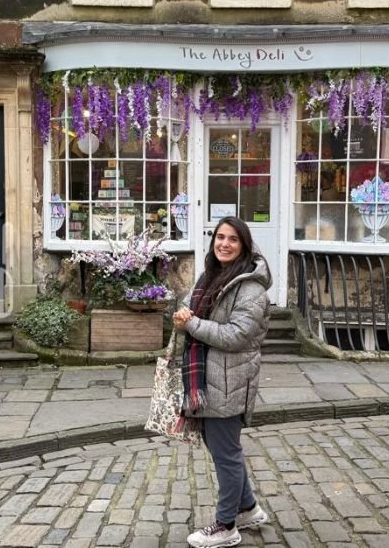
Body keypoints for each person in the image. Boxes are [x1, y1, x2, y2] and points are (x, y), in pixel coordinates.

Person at [173, 216, 272, 548]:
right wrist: (183, 316)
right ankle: (248, 508)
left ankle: (226, 525)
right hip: (209, 379)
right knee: (223, 451)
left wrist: (193, 324)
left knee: (226, 454)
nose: (224, 244)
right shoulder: (211, 275)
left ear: (244, 246)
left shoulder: (251, 288)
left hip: (231, 381)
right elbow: (188, 307)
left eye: (232, 239)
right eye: (220, 237)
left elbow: (235, 335)